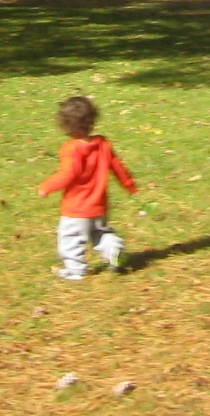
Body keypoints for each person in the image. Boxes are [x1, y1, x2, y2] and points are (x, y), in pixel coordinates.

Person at [37, 94, 137, 280]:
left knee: (70, 239)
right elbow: (118, 166)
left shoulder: (70, 148)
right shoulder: (103, 144)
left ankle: (76, 270)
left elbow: (69, 174)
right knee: (100, 232)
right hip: (99, 206)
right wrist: (129, 184)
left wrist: (47, 187)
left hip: (76, 208)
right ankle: (114, 250)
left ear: (65, 125)